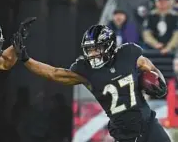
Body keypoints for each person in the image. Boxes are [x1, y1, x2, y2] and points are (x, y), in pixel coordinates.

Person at [13, 25, 171, 142]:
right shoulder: (86, 71)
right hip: (124, 134)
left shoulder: (128, 54)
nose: (92, 54)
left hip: (148, 124)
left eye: (96, 49)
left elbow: (148, 65)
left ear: (109, 46)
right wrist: (26, 59)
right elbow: (53, 73)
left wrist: (160, 82)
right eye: (89, 50)